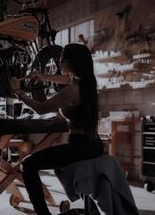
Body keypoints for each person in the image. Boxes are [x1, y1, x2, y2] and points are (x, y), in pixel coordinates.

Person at [10, 43, 104, 215]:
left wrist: (17, 92)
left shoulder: (72, 91)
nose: (60, 65)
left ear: (72, 63)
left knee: (28, 165)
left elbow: (41, 108)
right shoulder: (87, 84)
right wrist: (42, 76)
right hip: (94, 144)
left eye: (62, 61)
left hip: (80, 146)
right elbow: (66, 78)